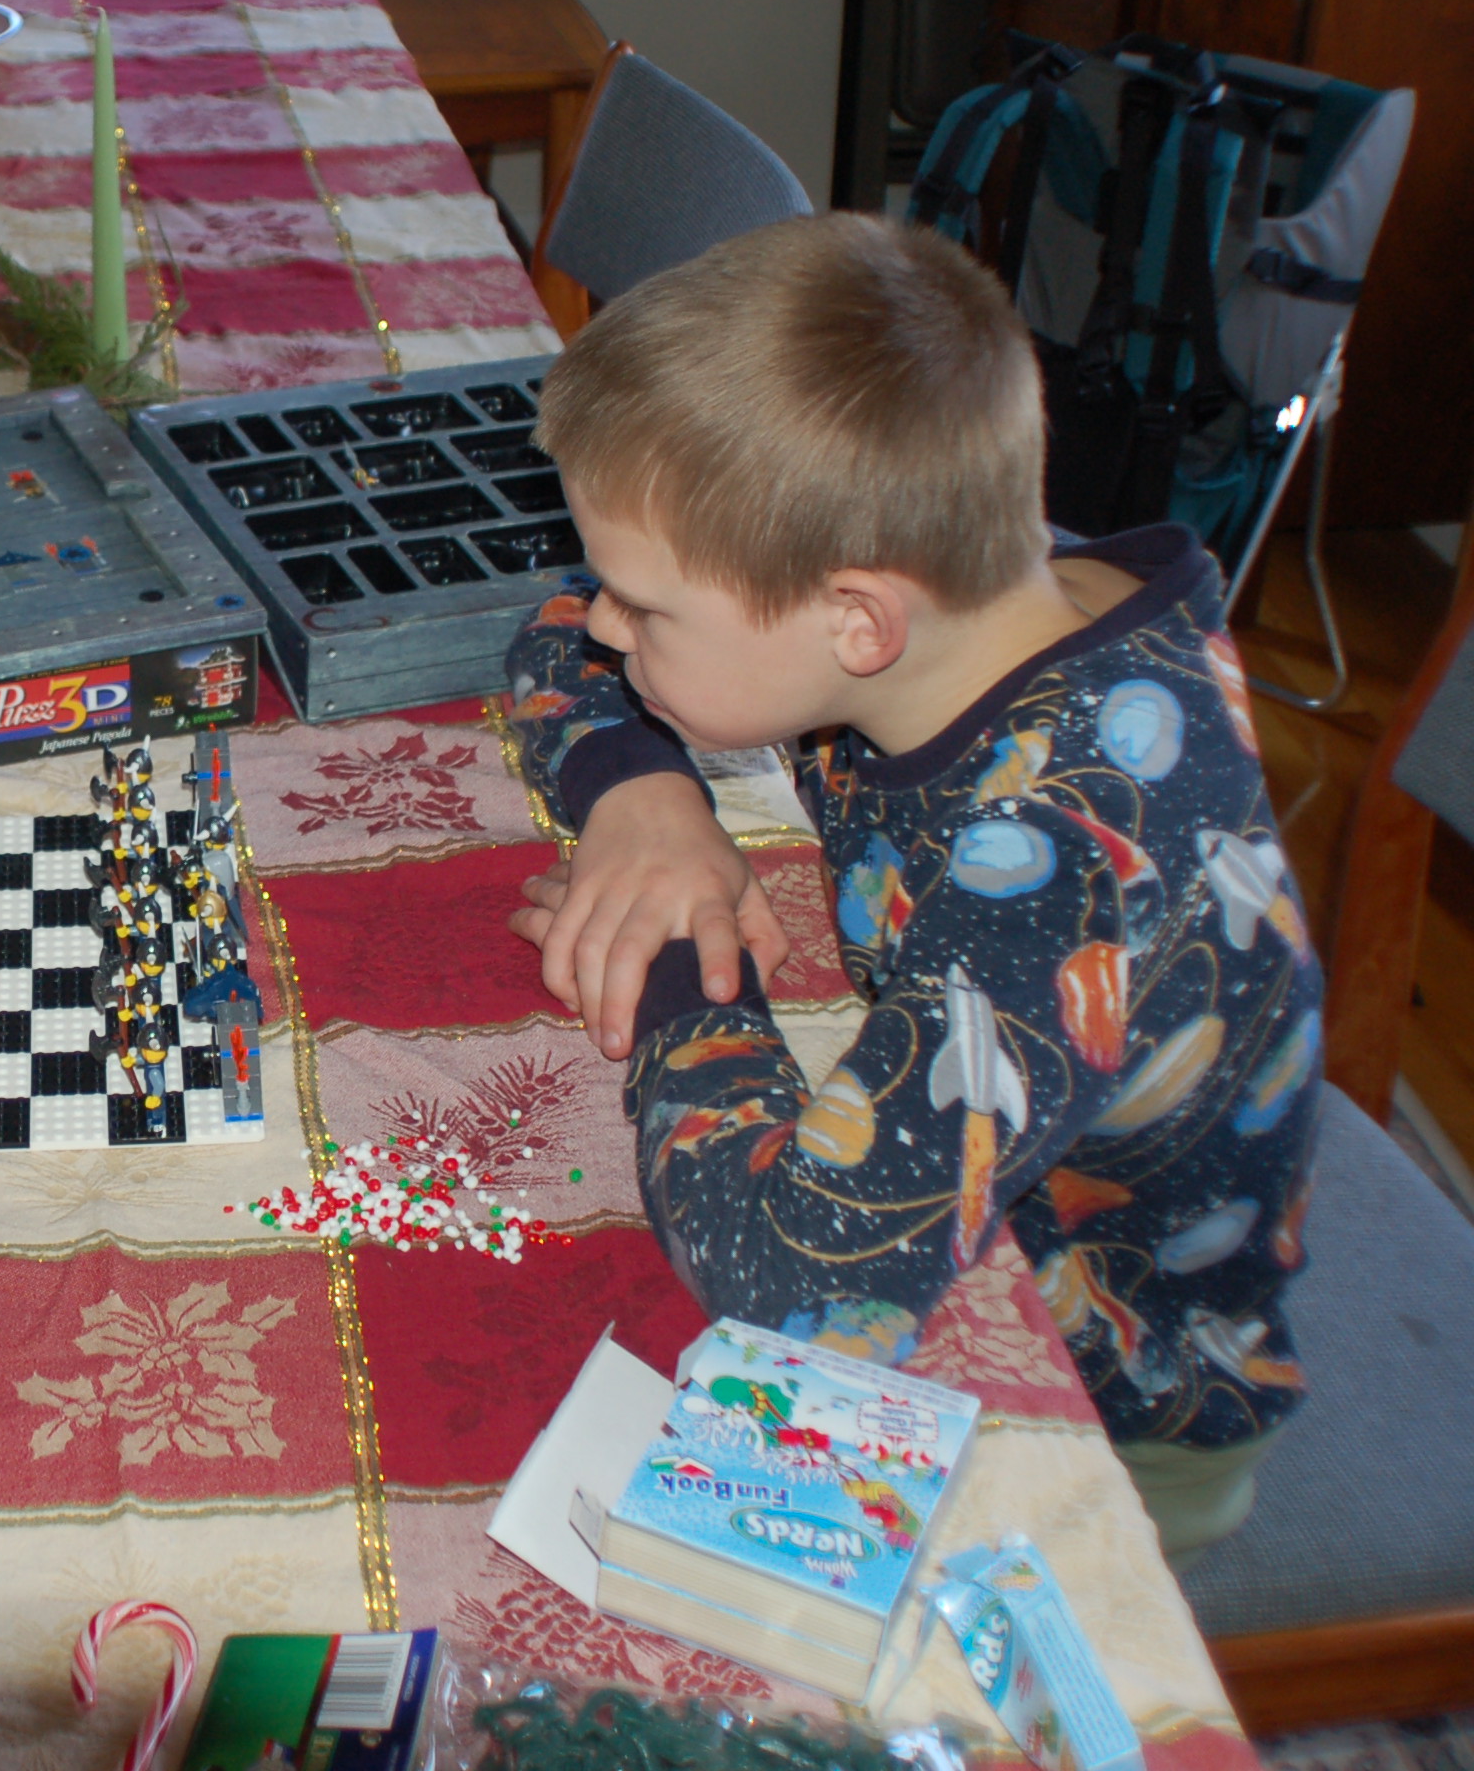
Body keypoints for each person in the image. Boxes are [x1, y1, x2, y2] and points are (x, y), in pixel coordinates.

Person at [500, 213, 1319, 1565]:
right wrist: (646, 803)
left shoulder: (1060, 861)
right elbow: (548, 634)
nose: (602, 620)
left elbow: (793, 1284)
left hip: (1119, 1399)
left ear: (856, 623)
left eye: (646, 607)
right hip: (979, 1180)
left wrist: (676, 956)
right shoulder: (982, 590)